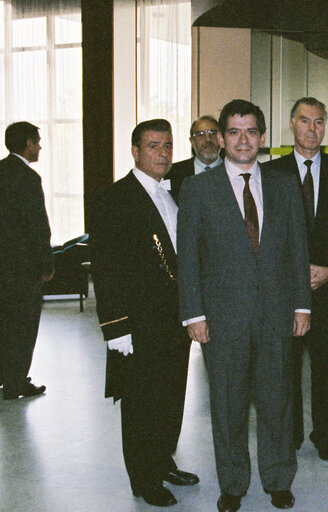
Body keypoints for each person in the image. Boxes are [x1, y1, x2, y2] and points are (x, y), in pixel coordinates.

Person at [177, 99, 310, 512]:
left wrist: (302, 306)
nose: (243, 140)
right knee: (228, 407)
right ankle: (232, 483)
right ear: (221, 138)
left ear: (264, 137)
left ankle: (278, 479)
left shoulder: (285, 185)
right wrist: (194, 314)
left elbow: (296, 250)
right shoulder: (198, 189)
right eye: (233, 132)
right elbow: (189, 258)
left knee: (277, 404)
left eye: (251, 131)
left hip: (275, 315)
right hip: (223, 319)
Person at [90, 119, 198, 507]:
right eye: (153, 146)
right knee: (140, 404)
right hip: (136, 325)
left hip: (175, 321)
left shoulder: (177, 194)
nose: (162, 153)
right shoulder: (113, 199)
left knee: (171, 396)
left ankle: (163, 460)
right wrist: (116, 329)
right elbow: (106, 270)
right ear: (134, 151)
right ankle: (144, 478)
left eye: (167, 145)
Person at [263, 97, 328, 461]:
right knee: (285, 367)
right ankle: (290, 434)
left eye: (319, 122)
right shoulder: (270, 173)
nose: (312, 130)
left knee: (327, 366)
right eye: (305, 121)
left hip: (327, 287)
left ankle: (325, 436)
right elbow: (266, 233)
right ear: (291, 124)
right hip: (285, 290)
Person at [0, 122, 52, 400]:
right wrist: (46, 265)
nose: (40, 147)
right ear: (28, 144)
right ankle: (16, 383)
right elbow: (37, 226)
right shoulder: (29, 178)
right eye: (38, 142)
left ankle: (3, 376)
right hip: (23, 269)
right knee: (23, 327)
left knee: (3, 324)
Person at [165, 115, 222, 200]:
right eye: (200, 135)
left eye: (213, 133)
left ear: (221, 138)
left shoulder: (234, 171)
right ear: (192, 141)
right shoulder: (172, 174)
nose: (208, 139)